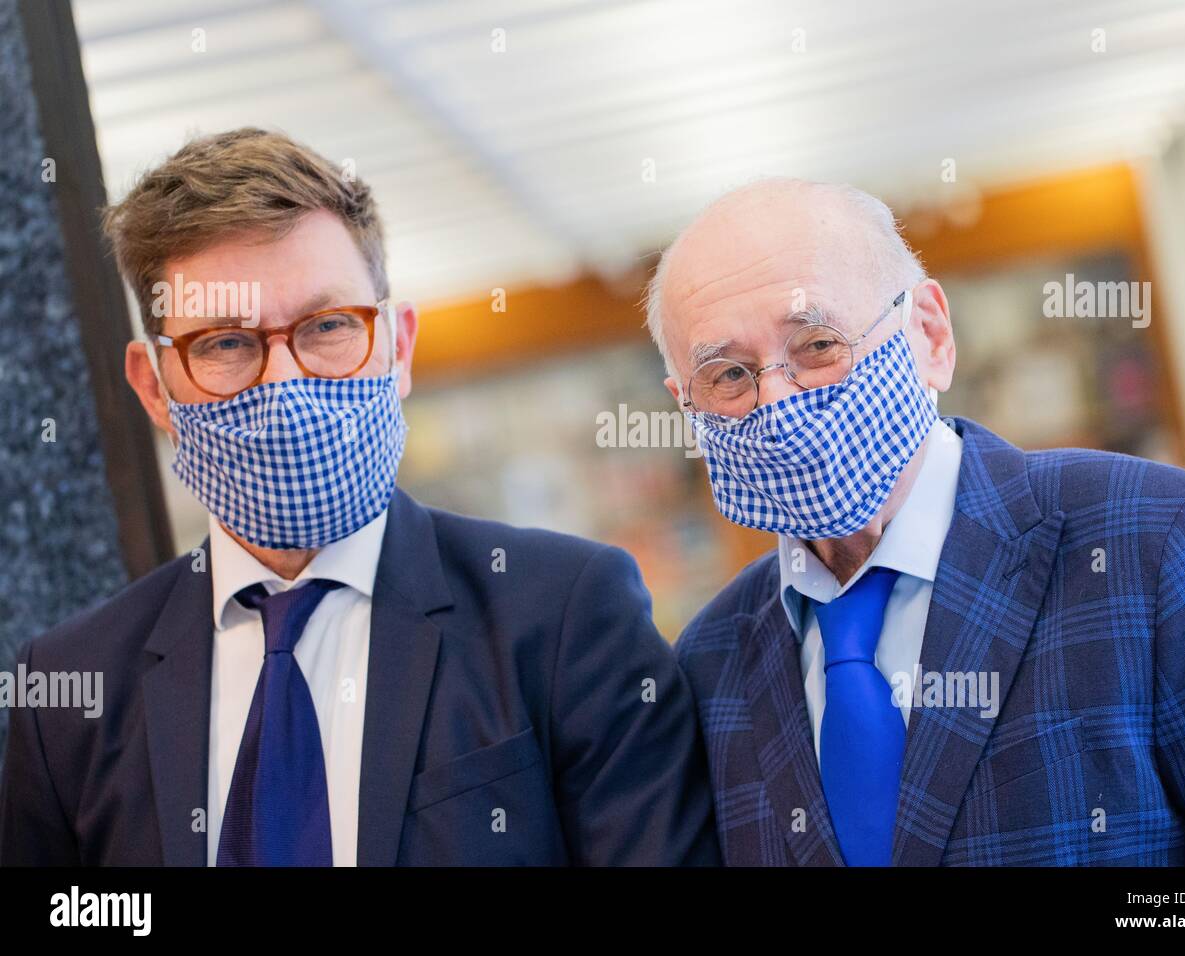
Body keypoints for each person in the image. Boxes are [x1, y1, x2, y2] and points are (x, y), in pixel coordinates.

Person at [0, 128, 719, 867]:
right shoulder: (73, 696)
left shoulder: (560, 615)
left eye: (328, 326)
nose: (285, 382)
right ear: (154, 386)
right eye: (224, 344)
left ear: (397, 347)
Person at [644, 176, 1185, 866]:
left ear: (928, 333)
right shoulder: (710, 663)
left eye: (816, 345)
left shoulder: (1156, 540)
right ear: (685, 407)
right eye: (729, 375)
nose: (777, 404)